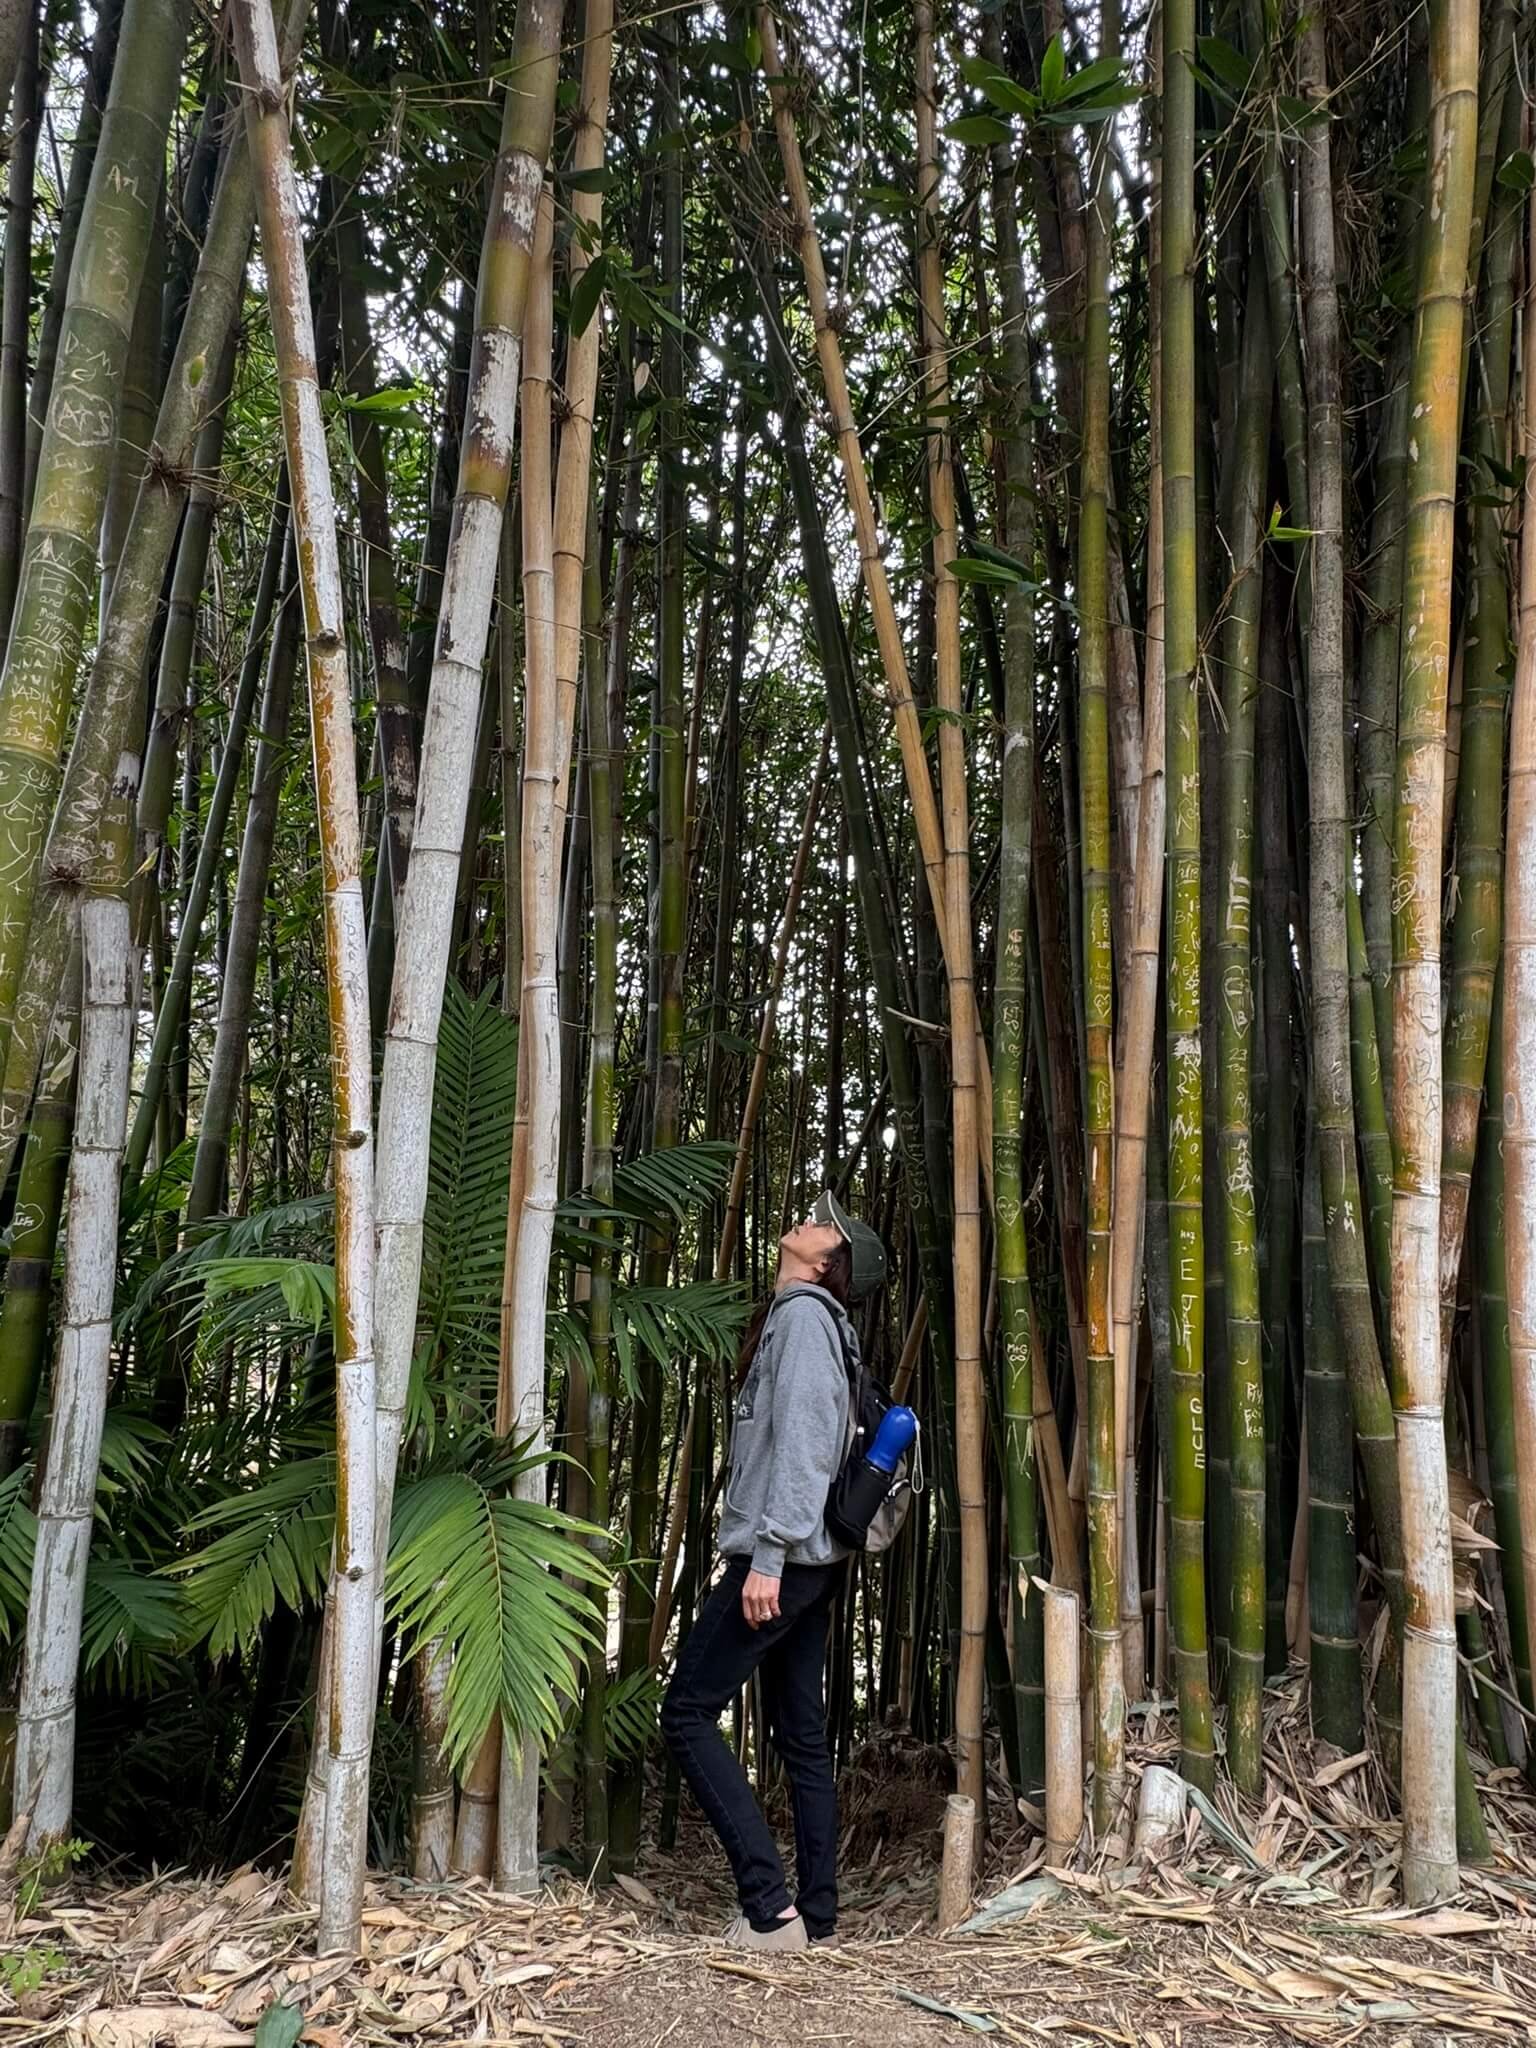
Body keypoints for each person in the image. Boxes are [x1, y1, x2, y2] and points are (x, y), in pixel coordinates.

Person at [660, 1189, 888, 1950]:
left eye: (824, 1225)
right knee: (802, 1735)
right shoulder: (819, 1324)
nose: (809, 1220)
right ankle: (816, 1916)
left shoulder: (803, 1321)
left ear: (827, 1263)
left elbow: (804, 1446)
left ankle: (770, 1909)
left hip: (784, 1560)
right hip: (812, 1562)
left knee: (687, 1712)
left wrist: (768, 1557)